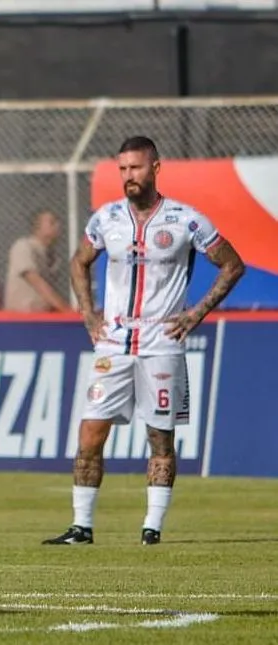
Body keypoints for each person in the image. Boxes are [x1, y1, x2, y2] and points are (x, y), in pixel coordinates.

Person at [43, 136, 245, 546]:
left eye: (135, 168)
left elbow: (232, 265)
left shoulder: (186, 220)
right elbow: (79, 262)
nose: (128, 177)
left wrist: (195, 313)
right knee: (89, 434)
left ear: (155, 168)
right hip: (113, 343)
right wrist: (88, 313)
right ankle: (81, 526)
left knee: (160, 437)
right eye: (122, 169)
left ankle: (152, 528)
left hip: (162, 344)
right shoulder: (106, 218)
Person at [3, 210, 71, 312]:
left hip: (42, 318)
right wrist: (67, 310)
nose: (58, 226)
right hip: (19, 319)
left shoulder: (52, 257)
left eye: (58, 223)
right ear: (37, 227)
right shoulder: (23, 246)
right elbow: (36, 281)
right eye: (52, 223)